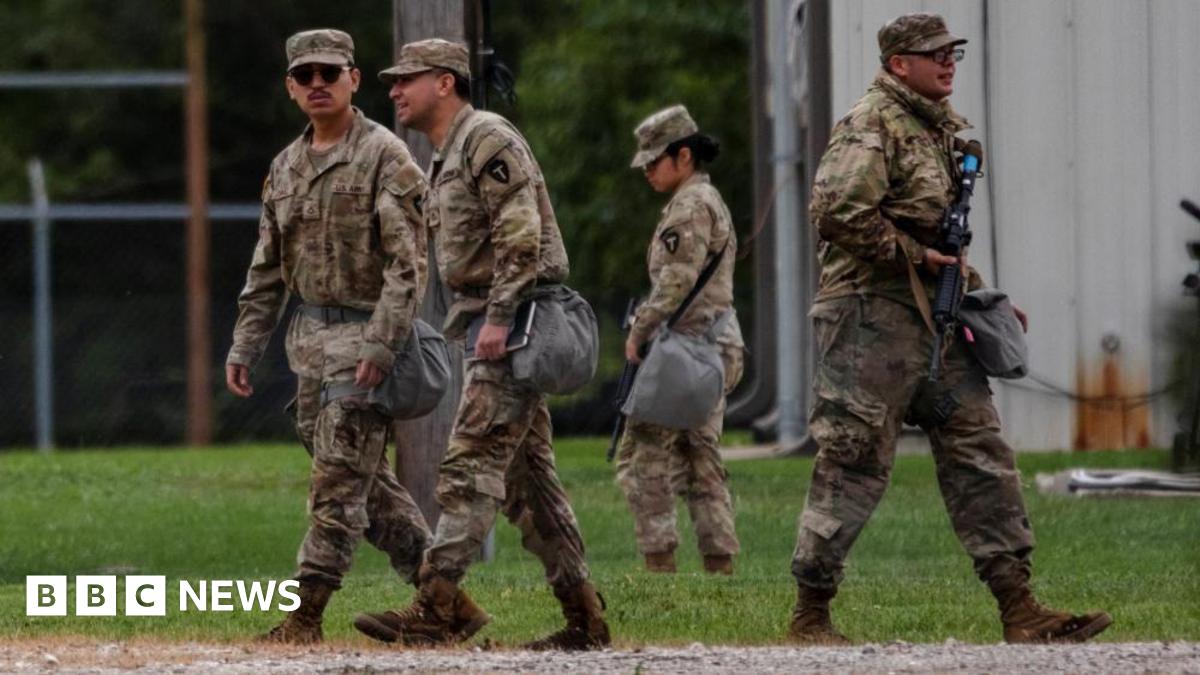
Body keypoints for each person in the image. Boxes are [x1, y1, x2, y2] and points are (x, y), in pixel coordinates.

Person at [788, 13, 1112, 645]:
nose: (948, 61)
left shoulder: (939, 131)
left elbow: (941, 234)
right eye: (932, 52)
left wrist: (973, 291)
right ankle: (810, 616)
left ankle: (1020, 610)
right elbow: (834, 210)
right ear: (897, 64)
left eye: (952, 51)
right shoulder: (871, 123)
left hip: (933, 318)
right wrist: (914, 257)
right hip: (868, 320)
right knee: (853, 460)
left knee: (980, 450)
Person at [369, 38, 610, 651]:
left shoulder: (487, 138)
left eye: (408, 79)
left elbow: (521, 233)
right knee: (530, 486)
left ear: (445, 82)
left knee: (469, 466)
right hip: (492, 329)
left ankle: (435, 607)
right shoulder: (447, 154)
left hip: (515, 327)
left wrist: (499, 319)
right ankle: (585, 619)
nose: (395, 90)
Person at [224, 28, 437, 644]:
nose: (317, 84)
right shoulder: (286, 167)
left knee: (337, 485)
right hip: (309, 342)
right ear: (290, 87)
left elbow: (408, 264)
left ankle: (305, 614)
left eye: (329, 72)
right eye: (304, 75)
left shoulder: (385, 156)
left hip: (367, 340)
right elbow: (267, 268)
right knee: (363, 484)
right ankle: (442, 597)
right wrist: (245, 344)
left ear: (353, 79)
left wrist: (382, 343)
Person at [615, 105, 745, 576]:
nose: (648, 171)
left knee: (642, 457)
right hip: (714, 346)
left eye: (654, 161)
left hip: (686, 349)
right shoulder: (707, 201)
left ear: (683, 156)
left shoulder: (689, 206)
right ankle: (720, 566)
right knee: (700, 459)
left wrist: (641, 330)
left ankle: (659, 565)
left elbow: (676, 279)